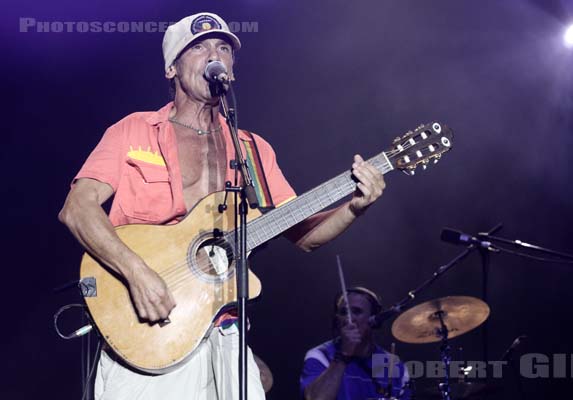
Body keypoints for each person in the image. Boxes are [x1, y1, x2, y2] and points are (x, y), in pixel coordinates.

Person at [58, 11, 386, 400]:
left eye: (224, 47)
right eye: (199, 47)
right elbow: (77, 209)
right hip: (147, 330)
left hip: (224, 327)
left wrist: (355, 206)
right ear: (171, 68)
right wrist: (137, 273)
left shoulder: (252, 149)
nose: (215, 54)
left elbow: (305, 234)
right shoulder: (133, 130)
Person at [301, 287, 411, 400]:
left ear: (374, 320)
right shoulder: (320, 355)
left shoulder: (396, 365)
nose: (349, 319)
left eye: (357, 312)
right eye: (343, 312)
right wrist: (344, 354)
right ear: (337, 320)